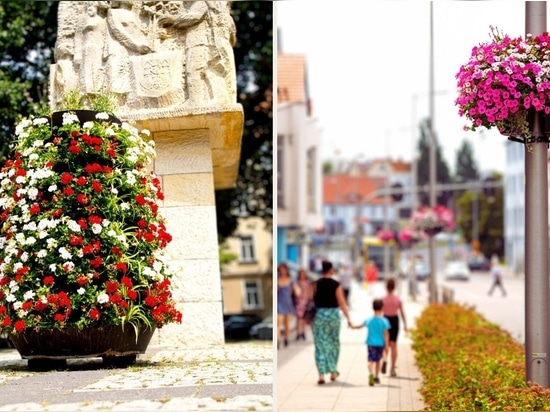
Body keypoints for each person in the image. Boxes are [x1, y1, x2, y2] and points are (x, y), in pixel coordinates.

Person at [311, 260, 352, 385]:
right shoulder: (336, 284)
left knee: (320, 345)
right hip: (333, 316)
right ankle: (333, 371)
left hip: (319, 316)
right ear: (331, 270)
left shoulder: (315, 284)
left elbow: (310, 300)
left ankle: (321, 375)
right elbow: (342, 302)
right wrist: (348, 318)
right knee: (333, 343)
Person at [351, 299, 390, 386]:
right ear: (382, 308)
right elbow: (386, 333)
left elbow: (360, 326)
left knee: (370, 360)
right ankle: (376, 376)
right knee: (378, 361)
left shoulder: (369, 320)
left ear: (373, 308)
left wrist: (353, 326)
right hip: (380, 344)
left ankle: (371, 373)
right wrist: (386, 344)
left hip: (371, 343)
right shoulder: (384, 321)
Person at [382, 277, 408, 377]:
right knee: (394, 345)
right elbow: (402, 313)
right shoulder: (398, 299)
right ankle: (392, 368)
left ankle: (384, 360)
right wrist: (405, 325)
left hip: (385, 321)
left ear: (386, 287)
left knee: (386, 344)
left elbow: (379, 313)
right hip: (394, 321)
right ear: (394, 287)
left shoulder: (383, 299)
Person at [277, 262, 294, 348]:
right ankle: (278, 340)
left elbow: (294, 291)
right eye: (280, 269)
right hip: (279, 302)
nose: (282, 271)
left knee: (287, 323)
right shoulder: (277, 280)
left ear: (287, 270)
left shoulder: (291, 280)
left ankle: (286, 338)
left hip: (288, 302)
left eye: (284, 269)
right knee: (278, 322)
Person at [293, 268, 311, 341]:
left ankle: (303, 332)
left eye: (303, 274)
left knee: (304, 319)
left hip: (305, 302)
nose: (302, 275)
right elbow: (294, 292)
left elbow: (309, 292)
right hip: (298, 302)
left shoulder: (308, 283)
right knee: (298, 319)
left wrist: (309, 300)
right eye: (301, 274)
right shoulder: (296, 282)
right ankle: (298, 333)